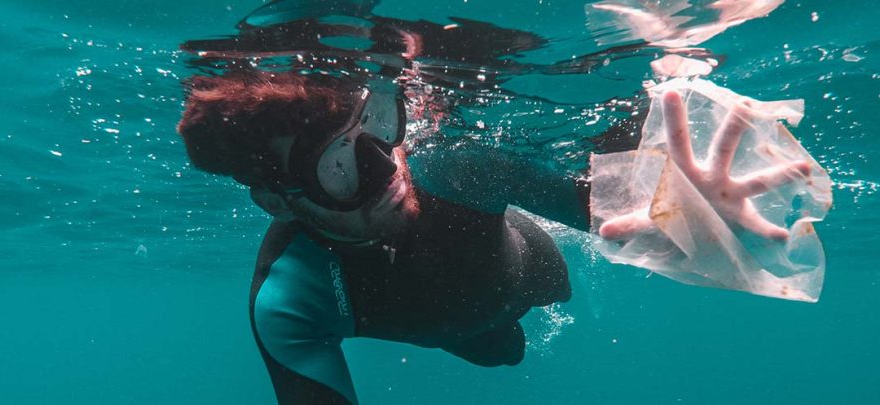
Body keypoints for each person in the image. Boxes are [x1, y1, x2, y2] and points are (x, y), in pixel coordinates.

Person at [176, 70, 809, 404]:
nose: (389, 163)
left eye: (376, 127)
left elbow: (631, 217)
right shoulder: (289, 296)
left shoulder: (455, 170)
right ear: (277, 199)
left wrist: (695, 215)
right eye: (339, 167)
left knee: (517, 319)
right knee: (502, 353)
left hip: (534, 275)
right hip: (466, 330)